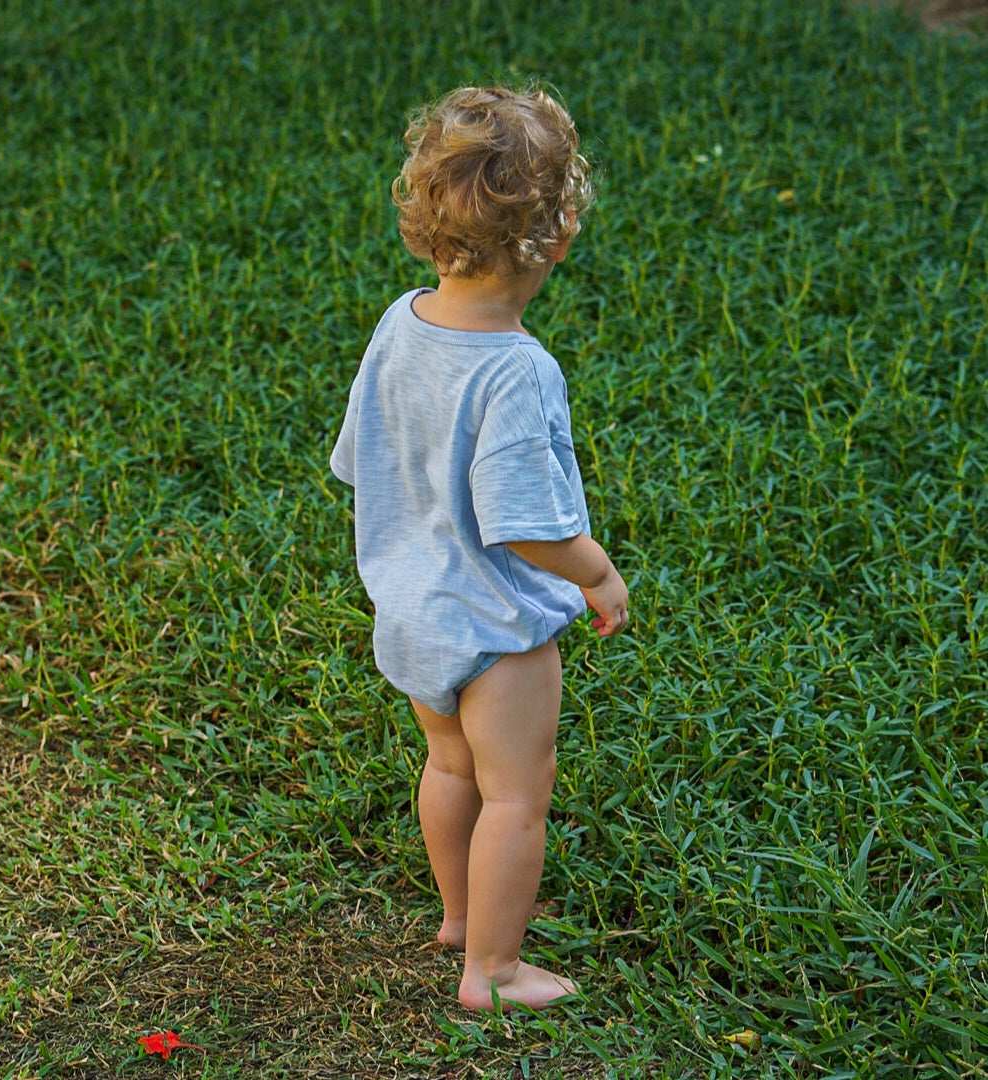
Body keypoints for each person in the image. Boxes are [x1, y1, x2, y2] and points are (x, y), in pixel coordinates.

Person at [329, 82, 629, 1013]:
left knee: (451, 766)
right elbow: (528, 524)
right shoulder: (517, 368)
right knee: (515, 797)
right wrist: (597, 571)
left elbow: (359, 456)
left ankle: (461, 917)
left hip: (413, 609)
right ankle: (492, 970)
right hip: (497, 629)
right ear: (561, 231)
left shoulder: (402, 319)